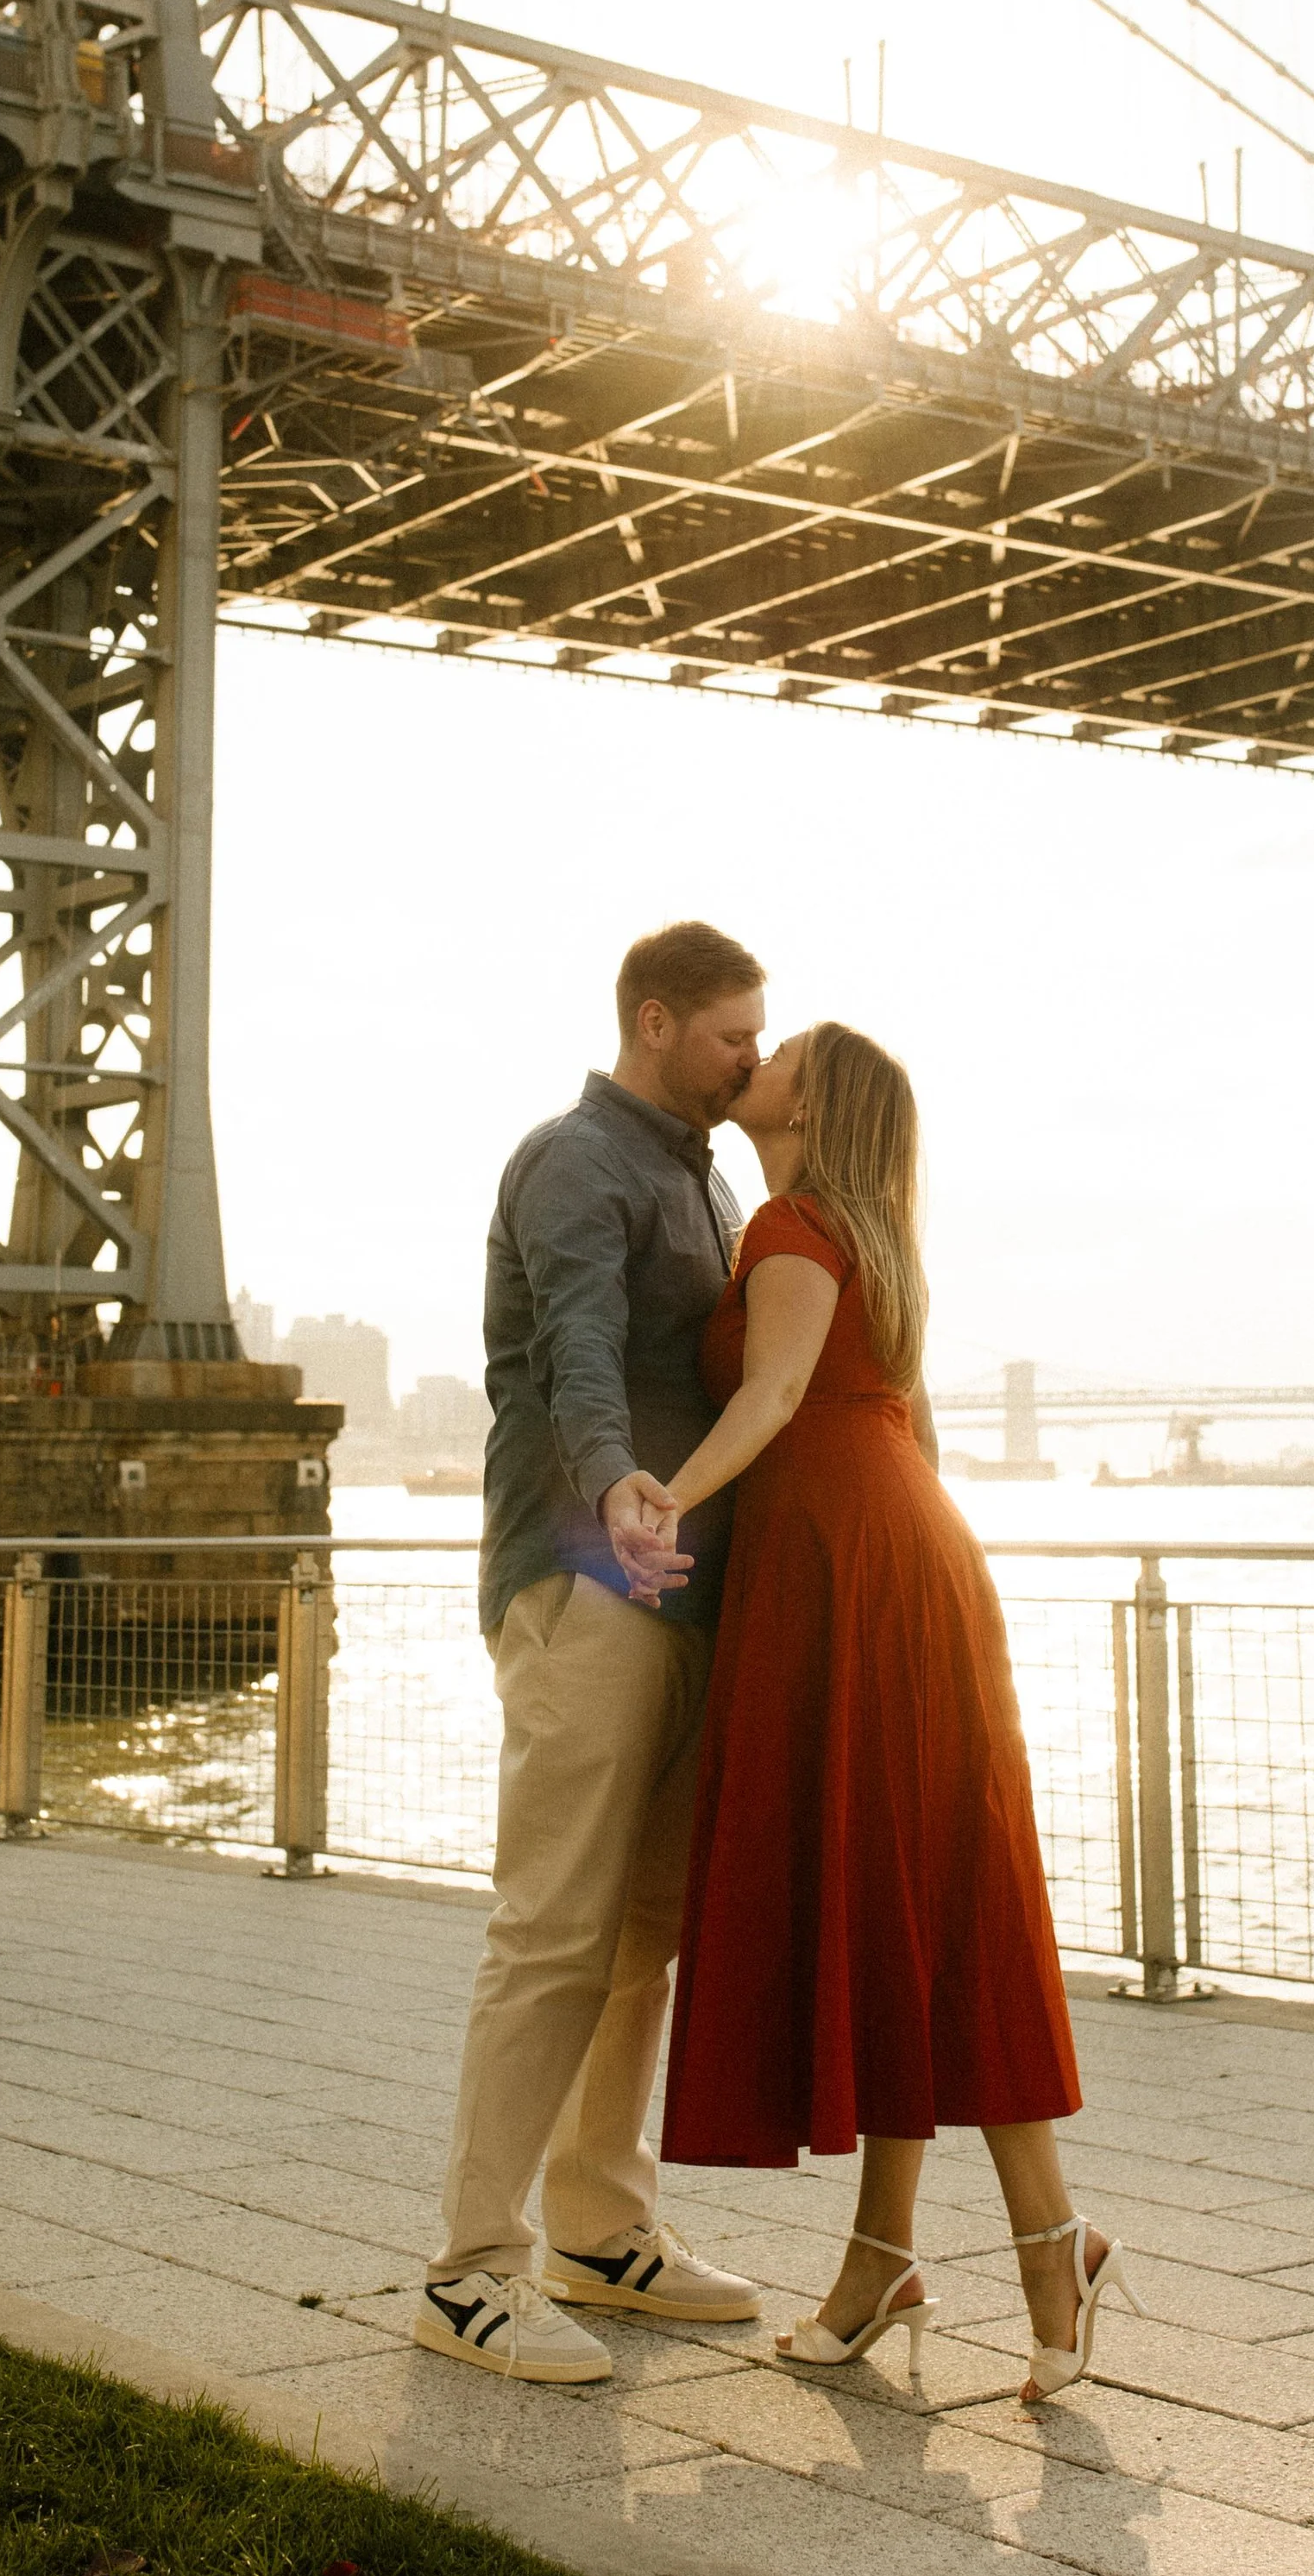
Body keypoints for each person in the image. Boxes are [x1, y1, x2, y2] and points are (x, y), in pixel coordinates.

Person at [658, 1023, 1139, 2404]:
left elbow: (778, 1390)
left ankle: (1027, 2246)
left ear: (813, 1101)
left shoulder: (795, 1227)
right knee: (921, 1907)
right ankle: (908, 2257)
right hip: (907, 1558)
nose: (759, 1049)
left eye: (783, 1047)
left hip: (849, 1571)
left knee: (916, 1901)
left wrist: (665, 1499)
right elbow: (910, 1433)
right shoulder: (876, 1238)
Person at [415, 923, 769, 2384]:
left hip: (687, 1592)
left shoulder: (711, 1175)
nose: (753, 1054)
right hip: (583, 1578)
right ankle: (471, 2270)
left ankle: (601, 2230)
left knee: (644, 1927)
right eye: (733, 1033)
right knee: (555, 1922)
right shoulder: (575, 1158)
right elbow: (572, 1345)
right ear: (654, 1020)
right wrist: (618, 1476)